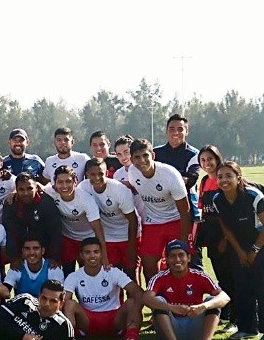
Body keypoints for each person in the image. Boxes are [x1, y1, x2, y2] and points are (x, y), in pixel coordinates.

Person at [213, 161, 264, 340]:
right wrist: (240, 252)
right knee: (242, 285)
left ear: (238, 178)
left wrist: (254, 251)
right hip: (241, 243)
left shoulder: (253, 195)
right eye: (220, 176)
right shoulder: (218, 199)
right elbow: (227, 229)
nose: (224, 180)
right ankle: (247, 328)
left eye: (229, 176)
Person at [143, 240, 229, 340]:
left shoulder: (199, 276)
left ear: (189, 258)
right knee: (159, 302)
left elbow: (225, 297)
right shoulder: (160, 277)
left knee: (212, 300)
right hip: (171, 330)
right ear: (167, 260)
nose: (177, 259)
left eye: (181, 255)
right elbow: (146, 298)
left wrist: (203, 306)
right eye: (172, 256)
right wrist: (172, 308)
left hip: (195, 329)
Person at [62, 237, 144, 340]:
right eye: (87, 252)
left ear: (101, 254)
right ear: (81, 255)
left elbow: (138, 292)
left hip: (115, 320)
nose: (92, 256)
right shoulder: (74, 276)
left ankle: (131, 339)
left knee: (131, 302)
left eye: (96, 252)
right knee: (69, 304)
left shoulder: (113, 272)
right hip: (87, 321)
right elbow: (63, 300)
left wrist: (136, 310)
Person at [127, 138, 190, 282]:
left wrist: (184, 242)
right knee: (149, 266)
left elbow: (185, 211)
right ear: (131, 160)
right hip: (152, 222)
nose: (142, 160)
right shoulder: (132, 172)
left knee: (178, 264)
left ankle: (177, 293)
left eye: (145, 155)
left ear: (153, 155)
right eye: (137, 157)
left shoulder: (170, 174)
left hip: (175, 221)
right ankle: (157, 295)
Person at [196, 146, 236, 334]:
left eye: (210, 159)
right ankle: (225, 314)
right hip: (211, 236)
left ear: (217, 158)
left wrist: (226, 238)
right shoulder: (204, 181)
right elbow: (203, 210)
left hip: (226, 236)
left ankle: (236, 318)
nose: (207, 163)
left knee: (231, 277)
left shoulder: (224, 180)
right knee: (221, 276)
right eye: (203, 160)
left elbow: (230, 213)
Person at [154, 114, 202, 270]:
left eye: (180, 129)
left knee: (191, 258)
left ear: (187, 131)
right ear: (166, 131)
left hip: (187, 214)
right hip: (160, 215)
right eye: (172, 129)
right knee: (167, 260)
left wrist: (162, 181)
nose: (176, 132)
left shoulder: (194, 154)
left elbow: (191, 179)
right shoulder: (155, 153)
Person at [78, 158, 138, 279]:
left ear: (106, 173)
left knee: (130, 273)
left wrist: (131, 247)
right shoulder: (83, 188)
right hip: (107, 236)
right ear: (87, 175)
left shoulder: (119, 190)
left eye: (100, 173)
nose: (97, 178)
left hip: (127, 234)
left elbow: (133, 219)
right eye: (92, 174)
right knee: (111, 273)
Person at [45, 165, 109, 276]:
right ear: (54, 184)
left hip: (87, 238)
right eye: (60, 182)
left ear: (75, 182)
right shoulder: (51, 192)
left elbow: (97, 229)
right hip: (68, 239)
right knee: (67, 272)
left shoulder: (85, 199)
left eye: (68, 181)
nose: (64, 186)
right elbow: (36, 188)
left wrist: (104, 256)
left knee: (88, 273)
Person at [2, 172, 62, 267]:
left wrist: (53, 257)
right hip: (21, 251)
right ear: (16, 190)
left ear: (36, 187)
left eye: (29, 188)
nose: (26, 193)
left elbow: (55, 231)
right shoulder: (10, 204)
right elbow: (9, 232)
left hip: (44, 249)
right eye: (21, 189)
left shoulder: (46, 202)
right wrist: (14, 257)